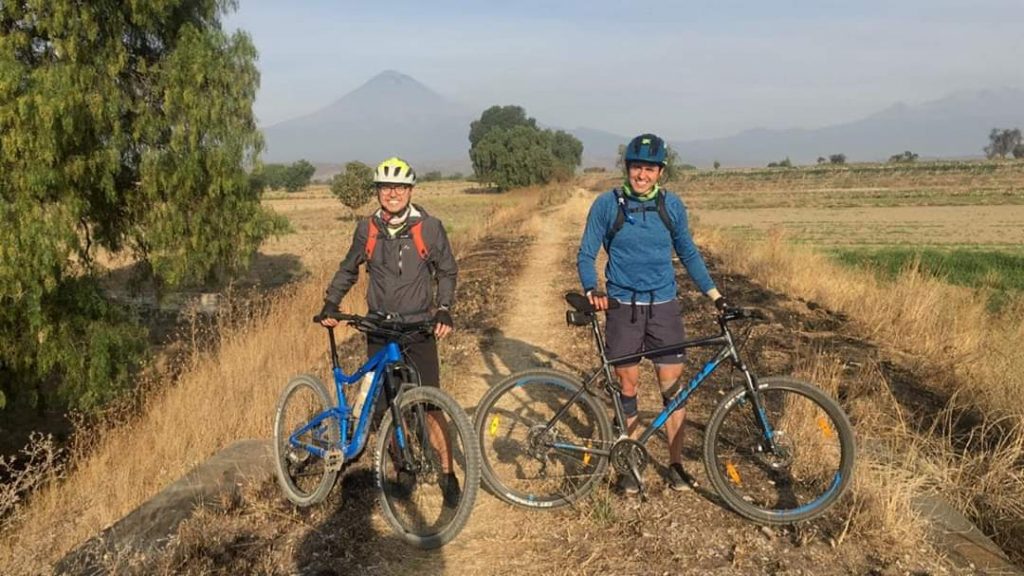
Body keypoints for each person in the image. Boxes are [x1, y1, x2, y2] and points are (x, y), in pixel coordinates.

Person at [576, 134, 730, 494]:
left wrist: (716, 296)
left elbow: (688, 253)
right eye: (636, 167)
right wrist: (591, 289)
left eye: (649, 169)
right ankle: (630, 464)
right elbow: (586, 253)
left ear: (660, 172)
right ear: (627, 168)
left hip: (663, 306)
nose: (641, 175)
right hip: (622, 307)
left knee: (673, 389)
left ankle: (676, 466)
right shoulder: (607, 204)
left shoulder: (671, 206)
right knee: (627, 387)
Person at [318, 156, 460, 503]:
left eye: (399, 187)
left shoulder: (429, 228)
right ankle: (402, 467)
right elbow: (349, 268)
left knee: (430, 403)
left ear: (410, 190)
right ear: (378, 192)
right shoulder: (367, 229)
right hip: (379, 327)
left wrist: (444, 309)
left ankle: (448, 473)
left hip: (418, 327)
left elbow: (447, 271)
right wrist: (331, 303)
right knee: (386, 405)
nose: (392, 193)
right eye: (385, 187)